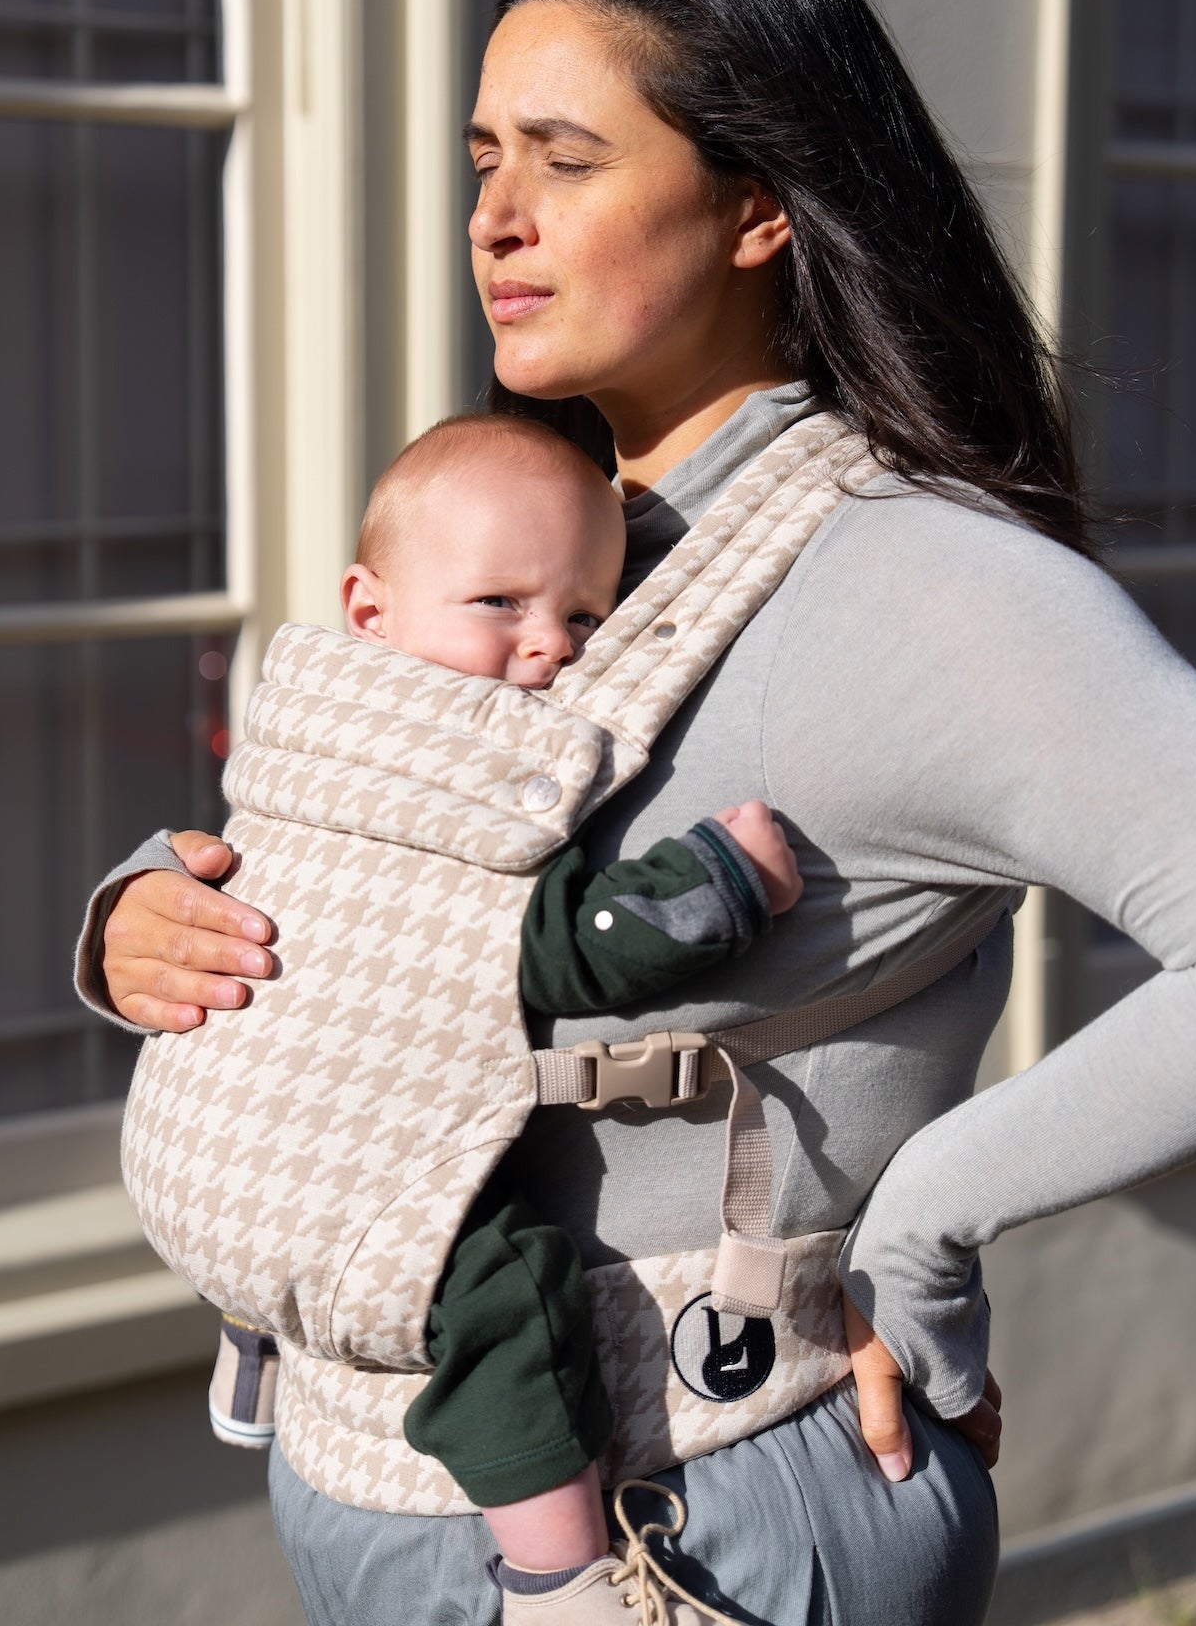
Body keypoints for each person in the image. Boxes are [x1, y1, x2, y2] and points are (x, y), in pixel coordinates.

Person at [79, 0, 1196, 1626]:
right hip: (377, 1473)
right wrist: (151, 919)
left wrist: (927, 1230)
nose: (493, 217)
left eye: (566, 159)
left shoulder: (935, 583)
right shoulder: (545, 543)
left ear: (763, 205)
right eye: (482, 158)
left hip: (705, 1515)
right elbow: (405, 876)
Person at [203, 409, 801, 1619]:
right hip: (330, 1156)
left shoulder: (305, 733)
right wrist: (719, 887)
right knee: (505, 1295)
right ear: (367, 612)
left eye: (584, 616)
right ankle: (557, 1575)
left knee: (289, 1217)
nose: (550, 649)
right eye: (500, 606)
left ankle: (257, 1345)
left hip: (227, 1145)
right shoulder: (429, 778)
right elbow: (544, 947)